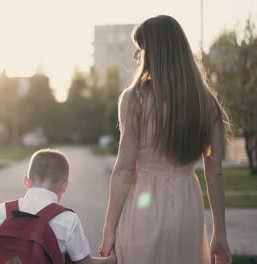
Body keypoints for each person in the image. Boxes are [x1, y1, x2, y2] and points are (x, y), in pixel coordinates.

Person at [99, 15, 232, 264]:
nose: (137, 57)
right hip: (187, 207)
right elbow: (214, 173)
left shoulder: (135, 100)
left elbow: (125, 170)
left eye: (140, 50)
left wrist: (108, 231)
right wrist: (220, 234)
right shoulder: (206, 103)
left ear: (153, 54)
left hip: (143, 207)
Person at [0, 149, 117, 264]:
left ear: (26, 181)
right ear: (64, 186)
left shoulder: (5, 210)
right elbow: (84, 262)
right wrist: (114, 259)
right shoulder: (67, 219)